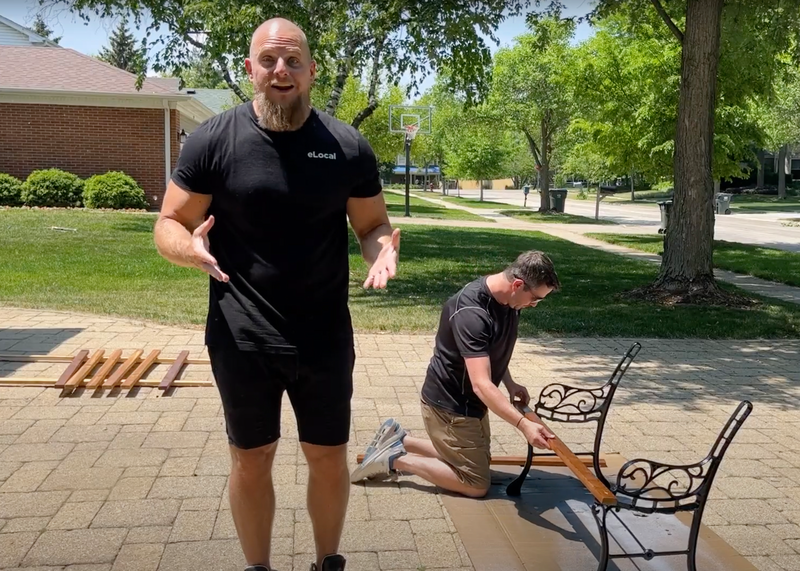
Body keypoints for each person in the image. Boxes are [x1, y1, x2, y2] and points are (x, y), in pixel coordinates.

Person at [153, 17, 399, 571]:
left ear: (312, 70)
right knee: (251, 456)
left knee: (329, 456)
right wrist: (187, 249)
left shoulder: (347, 146)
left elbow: (370, 226)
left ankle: (326, 561)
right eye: (268, 60)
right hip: (242, 335)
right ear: (251, 70)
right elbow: (168, 221)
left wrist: (381, 249)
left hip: (324, 335)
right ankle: (258, 567)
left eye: (292, 61)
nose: (281, 70)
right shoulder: (215, 139)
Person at [351, 251, 560, 498]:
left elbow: (490, 351)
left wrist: (510, 382)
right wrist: (523, 424)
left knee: (478, 462)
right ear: (517, 284)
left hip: (470, 403)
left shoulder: (510, 301)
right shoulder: (472, 312)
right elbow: (481, 384)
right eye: (535, 299)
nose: (533, 305)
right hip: (451, 405)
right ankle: (395, 458)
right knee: (476, 483)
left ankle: (400, 438)